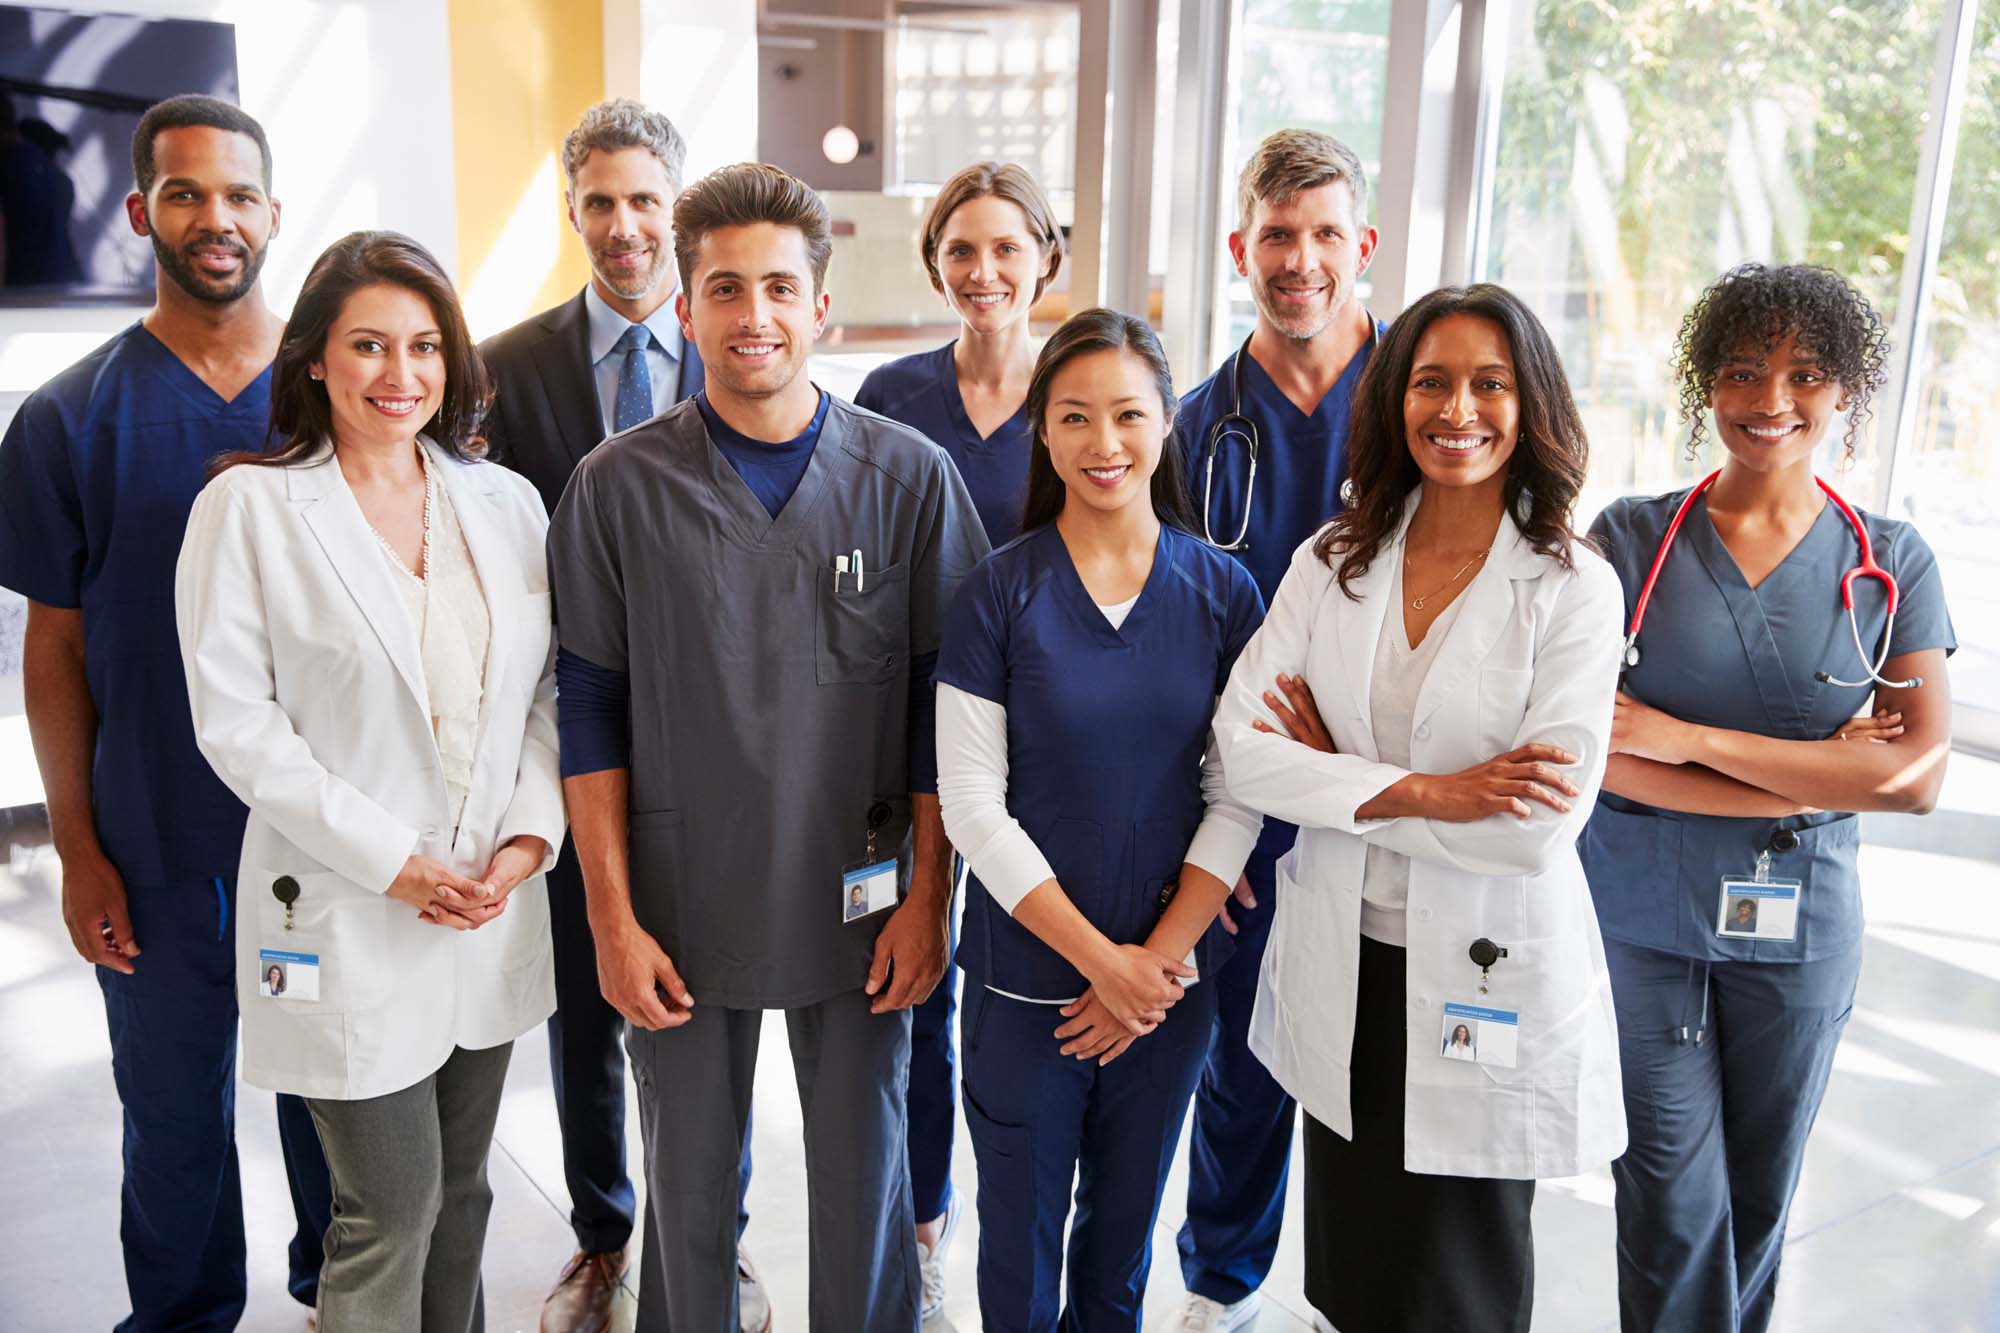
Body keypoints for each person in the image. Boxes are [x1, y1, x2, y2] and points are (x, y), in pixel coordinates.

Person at [547, 162, 988, 1332]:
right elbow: (586, 706)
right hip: (679, 898)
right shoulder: (614, 488)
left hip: (863, 897)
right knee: (686, 1188)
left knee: (863, 1177)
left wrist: (928, 899)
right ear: (683, 310)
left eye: (780, 288)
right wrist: (606, 913)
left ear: (821, 307)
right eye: (725, 289)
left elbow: (945, 718)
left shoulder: (907, 480)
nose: (754, 316)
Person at [1212, 284, 1629, 1333]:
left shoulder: (1570, 585)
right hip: (1346, 958)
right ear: (1394, 399)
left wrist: (1337, 782)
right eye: (1431, 382)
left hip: (1482, 972)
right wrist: (1428, 792)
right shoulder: (1331, 560)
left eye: (1489, 384)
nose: (1458, 410)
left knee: (1460, 1279)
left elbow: (1535, 824)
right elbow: (1239, 749)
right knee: (1353, 1271)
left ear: (1529, 405)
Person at [174, 228, 565, 1328]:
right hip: (345, 907)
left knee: (464, 1194)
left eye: (425, 348)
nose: (401, 377)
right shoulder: (248, 511)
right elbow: (235, 727)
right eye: (368, 347)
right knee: (388, 1208)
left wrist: (528, 840)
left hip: (485, 902)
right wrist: (395, 864)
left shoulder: (506, 505)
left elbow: (545, 694)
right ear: (314, 359)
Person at [0, 93, 332, 1330]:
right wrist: (79, 847)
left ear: (273, 214)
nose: (214, 218)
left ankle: (334, 1293)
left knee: (332, 1096)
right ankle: (186, 1315)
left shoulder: (336, 391)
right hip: (151, 844)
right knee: (176, 1112)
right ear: (142, 211)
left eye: (238, 194)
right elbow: (57, 650)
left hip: (319, 831)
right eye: (185, 193)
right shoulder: (65, 417)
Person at [1582, 262, 1955, 1333]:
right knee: (1664, 1189)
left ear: (1845, 391)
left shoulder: (1889, 560)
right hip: (1637, 916)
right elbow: (1585, 750)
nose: (1769, 400)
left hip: (1799, 933)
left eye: (1803, 374)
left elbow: (1912, 777)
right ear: (1706, 384)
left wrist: (1679, 737)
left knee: (1755, 1193)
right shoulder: (1632, 539)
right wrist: (1811, 766)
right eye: (1741, 371)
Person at [477, 97, 768, 1333]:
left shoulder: (742, 353)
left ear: (680, 209)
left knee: (718, 999)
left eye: (646, 200)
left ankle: (714, 1239)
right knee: (592, 1000)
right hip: (572, 737)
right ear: (572, 211)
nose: (623, 226)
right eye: (598, 201)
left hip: (723, 743)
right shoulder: (502, 366)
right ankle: (603, 1237)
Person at [935, 308, 1263, 1332]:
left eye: (1127, 414)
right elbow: (969, 807)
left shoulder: (1222, 593)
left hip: (1166, 998)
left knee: (1118, 1260)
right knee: (1019, 1262)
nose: (1102, 443)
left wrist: (1151, 970)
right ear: (1041, 430)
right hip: (1022, 984)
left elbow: (1238, 790)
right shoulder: (995, 593)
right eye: (1073, 417)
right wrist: (1100, 965)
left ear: (1169, 422)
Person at [1165, 127, 1386, 1332]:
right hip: (1243, 811)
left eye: (1322, 236)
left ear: (1361, 246)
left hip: (1392, 798)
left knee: (1374, 1078)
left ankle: (1354, 1293)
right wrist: (1210, 829)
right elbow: (1175, 643)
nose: (1297, 261)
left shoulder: (1432, 405)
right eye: (1274, 238)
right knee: (1239, 1071)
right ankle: (1220, 1286)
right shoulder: (1194, 429)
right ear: (1240, 248)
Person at [851, 158, 1067, 1318]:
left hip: (1051, 743)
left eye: (1005, 248)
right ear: (936, 260)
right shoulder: (889, 394)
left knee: (1018, 995)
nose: (983, 272)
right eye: (962, 250)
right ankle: (922, 1230)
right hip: (917, 736)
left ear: (1046, 257)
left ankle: (1024, 1247)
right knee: (916, 985)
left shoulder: (1082, 392)